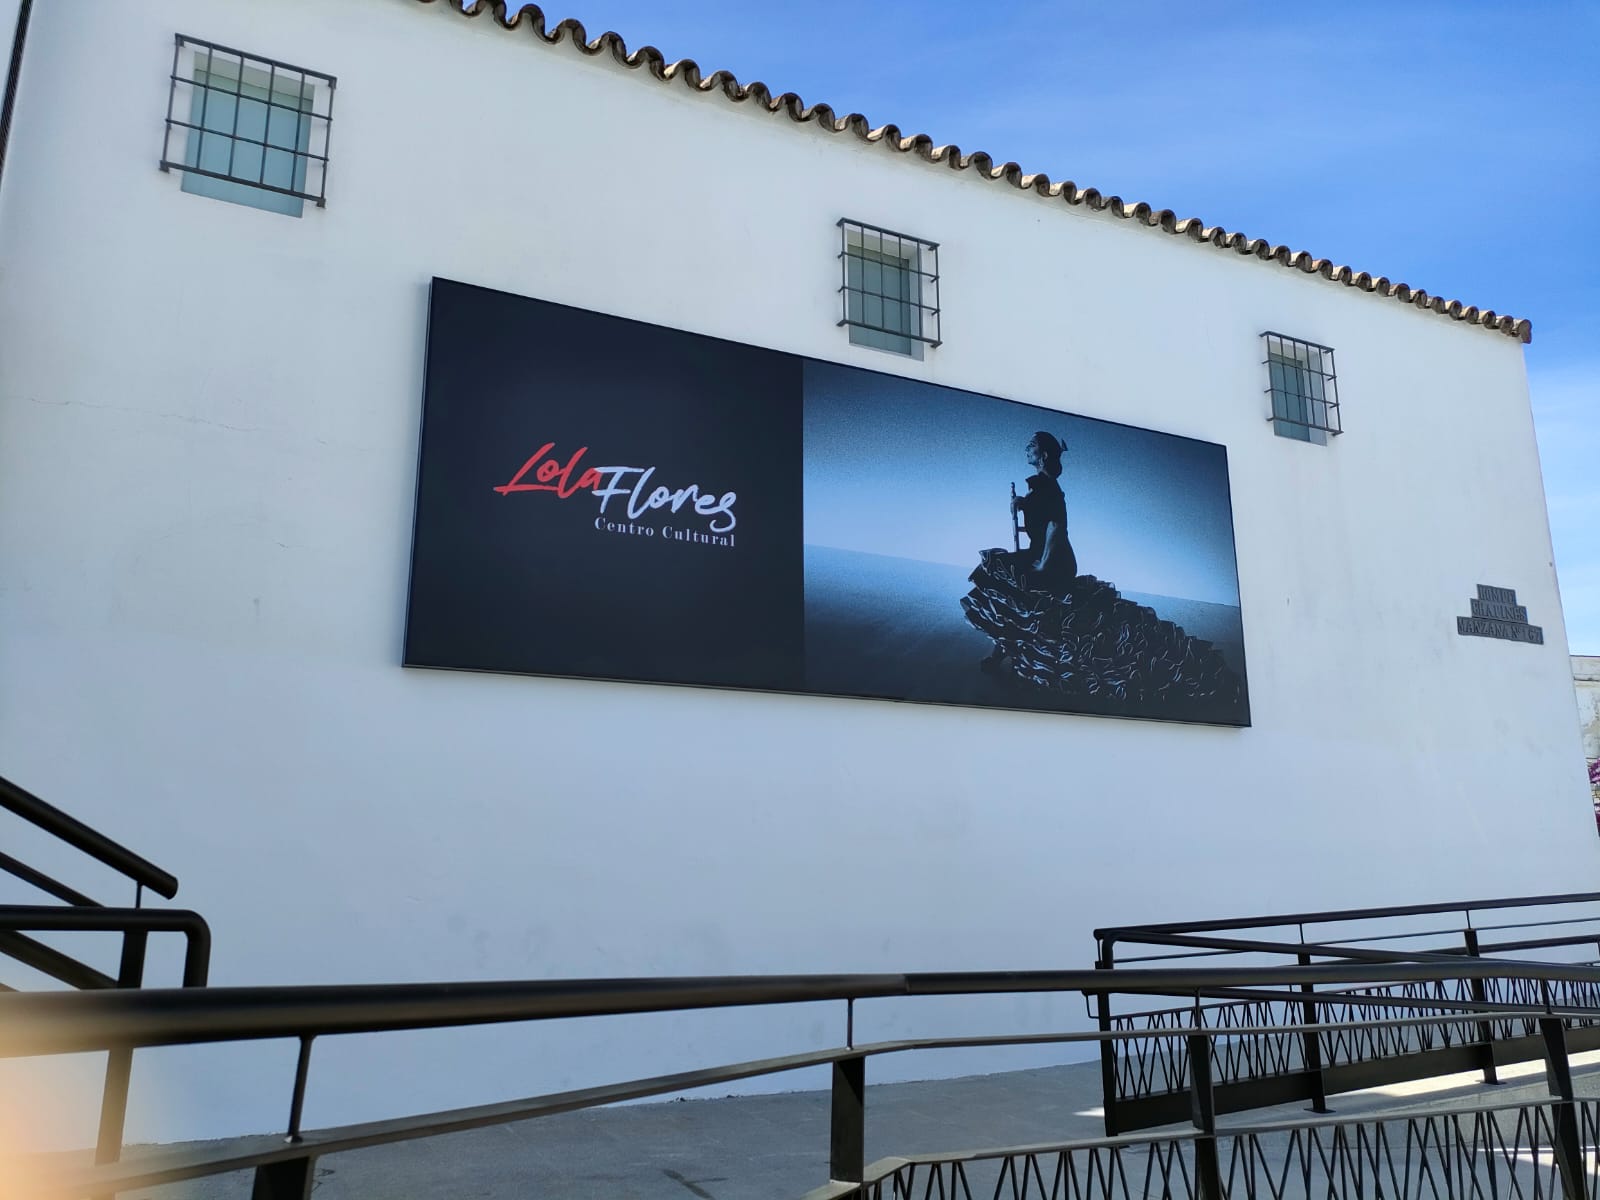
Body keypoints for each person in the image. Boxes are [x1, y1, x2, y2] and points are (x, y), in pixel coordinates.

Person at [1009, 431, 1076, 591]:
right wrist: (1023, 502)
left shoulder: (1047, 487)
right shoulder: (1042, 486)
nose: (1026, 449)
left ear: (1044, 455)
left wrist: (1043, 566)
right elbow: (1042, 520)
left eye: (1031, 445)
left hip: (1055, 561)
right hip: (1041, 554)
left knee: (996, 564)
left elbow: (1056, 526)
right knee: (997, 561)